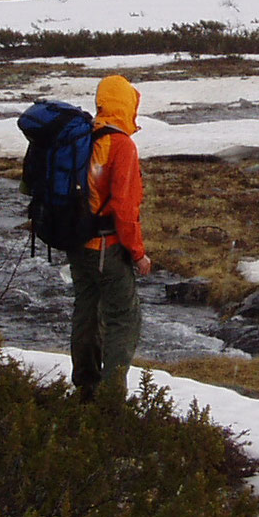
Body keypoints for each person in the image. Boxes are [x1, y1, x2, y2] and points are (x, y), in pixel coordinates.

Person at [71, 74, 152, 400]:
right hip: (107, 247)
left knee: (86, 313)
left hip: (77, 243)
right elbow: (124, 207)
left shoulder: (83, 138)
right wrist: (138, 253)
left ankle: (86, 389)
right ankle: (111, 399)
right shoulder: (121, 145)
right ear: (127, 104)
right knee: (123, 320)